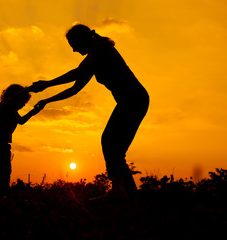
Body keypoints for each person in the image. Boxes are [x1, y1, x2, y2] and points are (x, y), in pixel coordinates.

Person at [32, 24, 149, 200]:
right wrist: (47, 101)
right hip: (131, 100)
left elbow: (76, 72)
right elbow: (75, 88)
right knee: (114, 147)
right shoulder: (95, 57)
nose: (73, 50)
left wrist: (46, 84)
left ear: (83, 39)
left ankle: (119, 192)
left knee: (110, 143)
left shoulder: (101, 49)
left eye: (74, 44)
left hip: (133, 99)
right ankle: (127, 195)